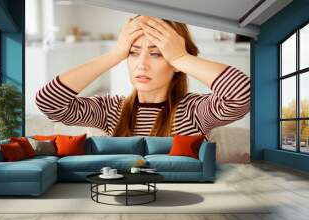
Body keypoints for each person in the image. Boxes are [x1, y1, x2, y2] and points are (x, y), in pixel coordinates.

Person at [35, 15, 250, 140]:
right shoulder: (109, 110)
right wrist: (114, 54)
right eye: (133, 52)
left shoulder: (195, 111)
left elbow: (242, 96)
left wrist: (180, 56)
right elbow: (48, 102)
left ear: (176, 65)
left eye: (156, 53)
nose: (141, 64)